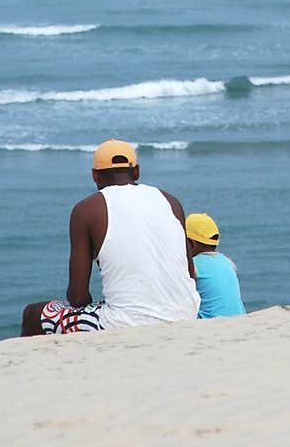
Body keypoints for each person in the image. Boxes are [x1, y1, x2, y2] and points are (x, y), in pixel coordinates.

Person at [20, 138, 200, 335]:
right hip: (186, 313)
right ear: (137, 171)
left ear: (95, 176)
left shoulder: (86, 210)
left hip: (128, 323)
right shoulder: (170, 201)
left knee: (33, 314)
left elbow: (77, 296)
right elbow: (190, 273)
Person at [185, 212, 246, 319]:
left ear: (191, 244)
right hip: (240, 320)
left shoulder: (193, 265)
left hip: (211, 323)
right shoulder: (227, 262)